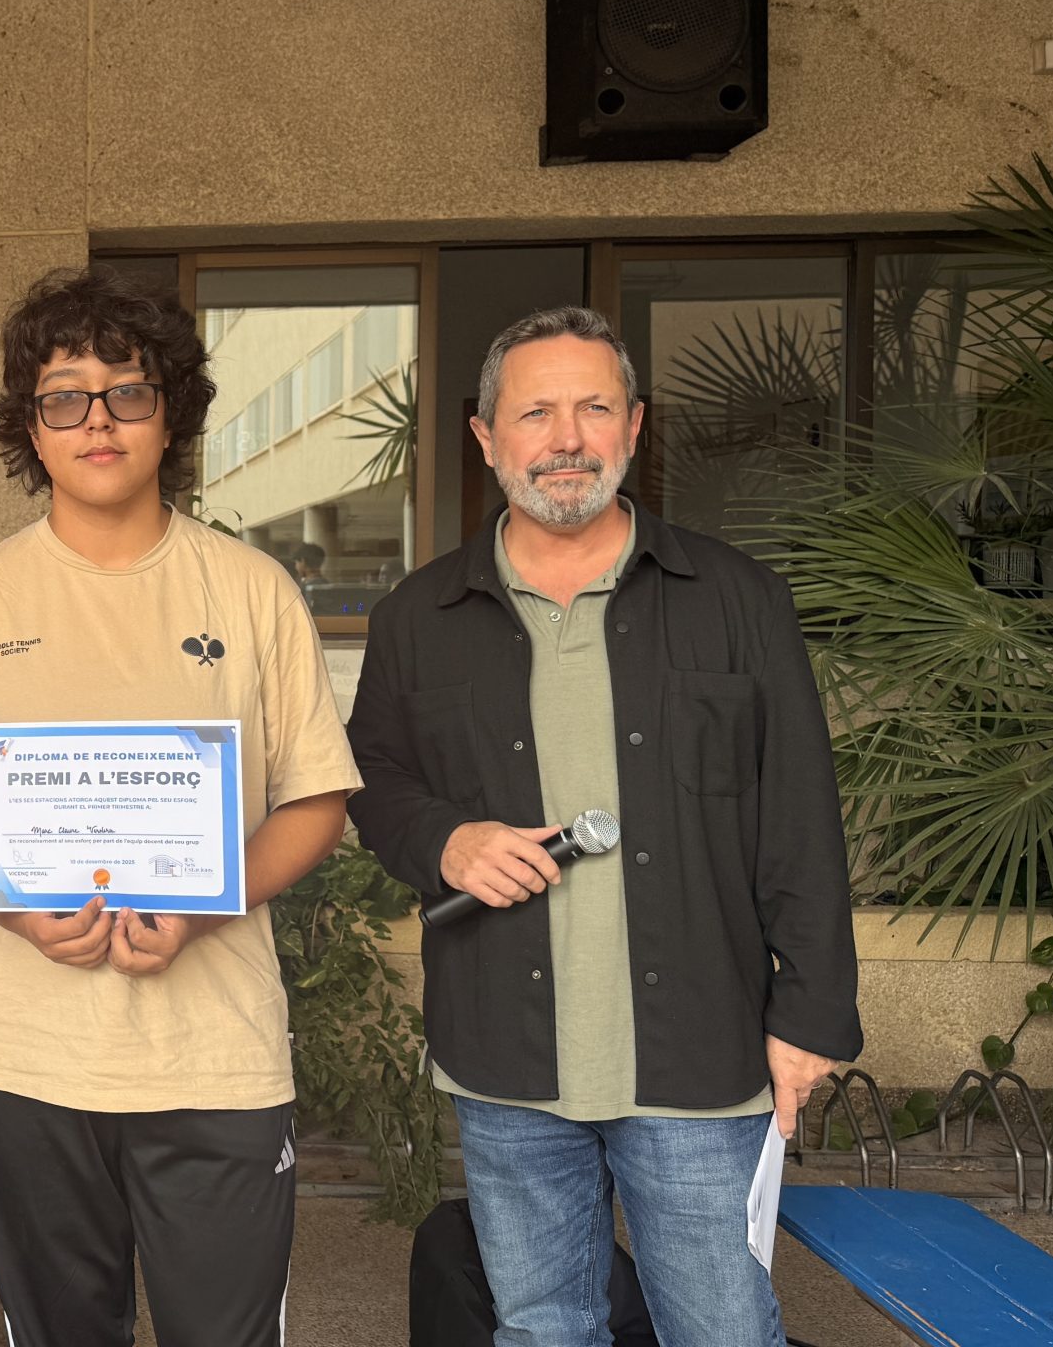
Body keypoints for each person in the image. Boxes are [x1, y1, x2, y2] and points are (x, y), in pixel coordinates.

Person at [344, 306, 861, 1347]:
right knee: (542, 1328)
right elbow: (372, 777)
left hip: (700, 1054)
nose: (567, 438)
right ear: (486, 436)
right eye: (535, 412)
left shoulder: (737, 599)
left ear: (634, 424)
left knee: (722, 1331)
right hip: (505, 1055)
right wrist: (445, 841)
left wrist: (810, 1016)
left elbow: (800, 817)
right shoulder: (418, 616)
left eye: (594, 407)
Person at [0, 267, 360, 1346]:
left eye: (126, 392)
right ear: (30, 427)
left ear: (170, 413)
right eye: (64, 397)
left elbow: (316, 801)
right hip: (21, 1058)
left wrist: (204, 901)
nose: (96, 420)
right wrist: (12, 907)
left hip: (215, 1057)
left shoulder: (253, 590)